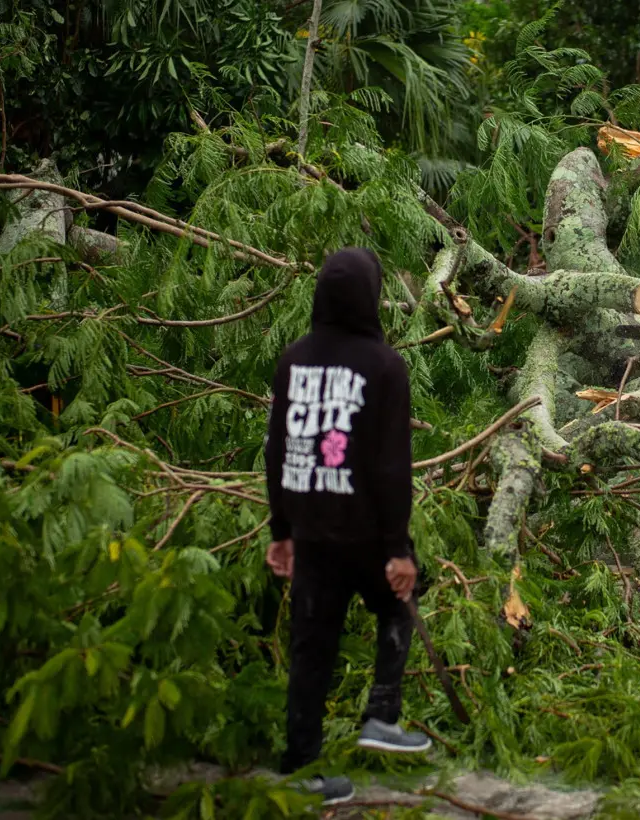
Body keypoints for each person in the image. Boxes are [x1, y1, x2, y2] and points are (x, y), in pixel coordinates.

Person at [264, 247, 431, 807]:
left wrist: (280, 530)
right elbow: (390, 465)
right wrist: (398, 548)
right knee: (398, 605)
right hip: (362, 530)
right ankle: (381, 715)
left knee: (311, 648)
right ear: (370, 296)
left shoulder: (294, 359)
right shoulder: (383, 365)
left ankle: (301, 765)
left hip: (310, 528)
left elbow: (279, 447)